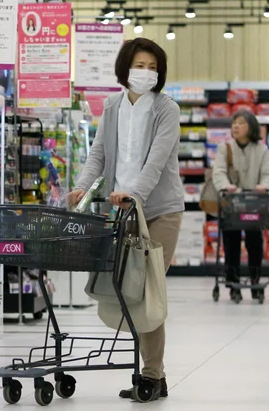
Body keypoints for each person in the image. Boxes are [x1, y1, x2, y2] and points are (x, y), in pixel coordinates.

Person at [68, 37, 183, 403]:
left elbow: (158, 161)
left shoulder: (167, 109)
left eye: (153, 68)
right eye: (140, 66)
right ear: (125, 68)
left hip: (160, 210)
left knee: (148, 289)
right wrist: (82, 189)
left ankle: (151, 374)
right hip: (123, 213)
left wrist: (135, 194)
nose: (146, 73)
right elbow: (98, 153)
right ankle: (152, 375)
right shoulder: (113, 105)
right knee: (128, 290)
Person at [212, 110, 269, 298]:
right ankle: (233, 282)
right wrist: (225, 186)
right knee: (231, 240)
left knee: (255, 240)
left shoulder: (262, 150)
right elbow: (218, 172)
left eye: (240, 123)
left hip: (255, 203)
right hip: (231, 202)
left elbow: (268, 174)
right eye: (234, 123)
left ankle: (255, 280)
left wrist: (264, 186)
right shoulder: (225, 148)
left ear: (251, 126)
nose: (235, 126)